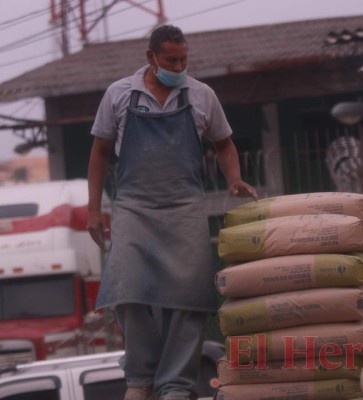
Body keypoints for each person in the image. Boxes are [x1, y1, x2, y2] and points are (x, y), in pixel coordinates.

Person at [86, 24, 257, 400]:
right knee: (128, 290)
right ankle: (140, 379)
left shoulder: (202, 95)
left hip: (184, 208)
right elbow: (99, 154)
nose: (179, 66)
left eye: (183, 59)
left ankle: (176, 385)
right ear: (151, 57)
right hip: (133, 207)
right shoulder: (118, 95)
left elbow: (224, 144)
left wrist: (235, 178)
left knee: (189, 296)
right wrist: (94, 209)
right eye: (171, 60)